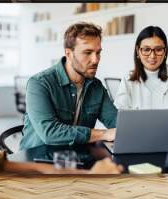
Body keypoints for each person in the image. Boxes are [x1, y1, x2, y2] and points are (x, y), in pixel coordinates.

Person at [19, 22, 117, 150]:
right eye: (88, 53)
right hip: (38, 159)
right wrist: (103, 134)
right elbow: (50, 133)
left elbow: (117, 122)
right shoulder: (39, 84)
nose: (96, 60)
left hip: (75, 158)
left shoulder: (96, 86)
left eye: (98, 52)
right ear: (69, 53)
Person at [114, 26, 168, 110]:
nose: (152, 56)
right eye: (146, 49)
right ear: (138, 51)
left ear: (165, 51)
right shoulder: (128, 80)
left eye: (158, 49)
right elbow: (119, 117)